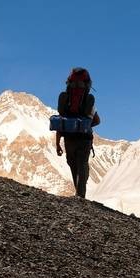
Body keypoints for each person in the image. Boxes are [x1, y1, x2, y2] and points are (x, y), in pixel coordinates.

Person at [55, 67, 100, 198]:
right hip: (84, 138)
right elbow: (97, 120)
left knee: (73, 165)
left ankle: (78, 195)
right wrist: (85, 125)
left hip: (69, 138)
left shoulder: (65, 100)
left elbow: (61, 122)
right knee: (82, 165)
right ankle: (80, 196)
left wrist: (57, 143)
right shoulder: (88, 101)